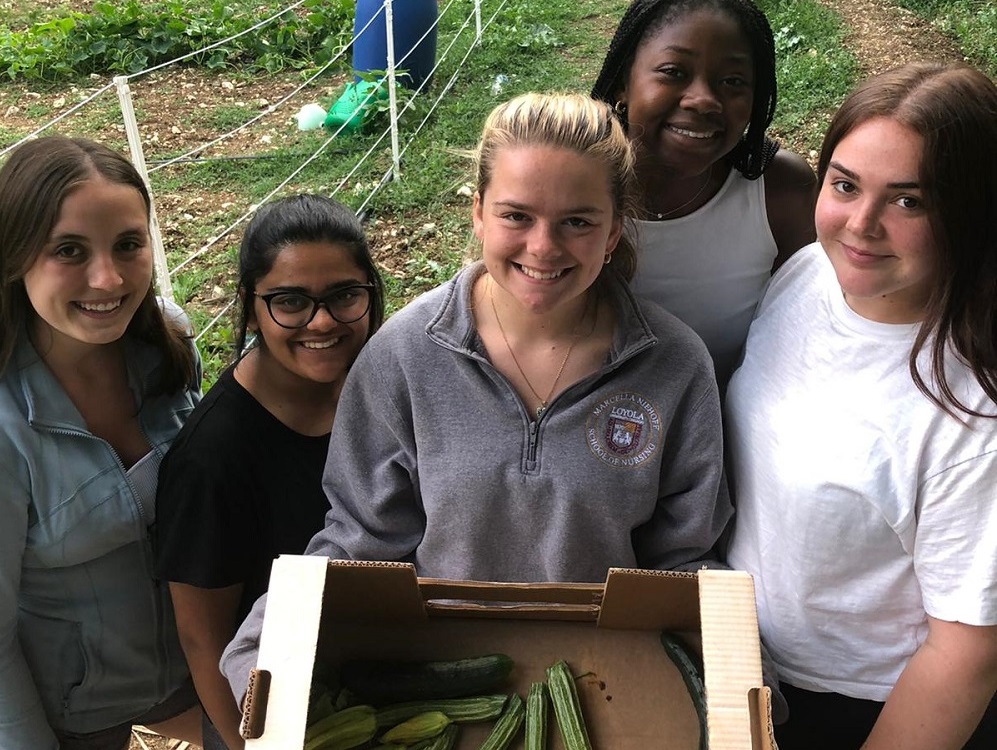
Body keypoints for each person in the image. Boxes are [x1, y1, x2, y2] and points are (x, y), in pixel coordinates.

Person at [220, 91, 733, 700]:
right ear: (478, 213)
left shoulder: (672, 365)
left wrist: (744, 682)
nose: (543, 247)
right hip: (446, 684)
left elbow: (682, 562)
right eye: (517, 216)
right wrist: (264, 649)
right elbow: (361, 539)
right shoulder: (403, 356)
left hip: (609, 684)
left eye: (577, 221)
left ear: (615, 228)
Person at [725, 62, 997, 749]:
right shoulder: (810, 274)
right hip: (741, 662)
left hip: (857, 707)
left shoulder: (972, 412)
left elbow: (965, 656)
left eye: (908, 201)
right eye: (844, 185)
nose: (860, 225)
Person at [154, 194, 385, 749]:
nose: (322, 321)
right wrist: (244, 742)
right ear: (250, 305)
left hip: (371, 684)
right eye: (290, 302)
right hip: (264, 709)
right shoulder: (212, 458)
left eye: (344, 295)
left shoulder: (384, 391)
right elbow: (203, 639)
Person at [0, 136, 203, 750]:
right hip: (76, 718)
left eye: (128, 244)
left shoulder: (170, 342)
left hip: (204, 675)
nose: (108, 279)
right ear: (14, 258)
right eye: (69, 250)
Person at [591, 0, 818, 390]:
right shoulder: (572, 187)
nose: (703, 99)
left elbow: (807, 328)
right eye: (673, 72)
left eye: (732, 81)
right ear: (622, 84)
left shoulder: (778, 192)